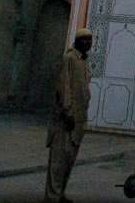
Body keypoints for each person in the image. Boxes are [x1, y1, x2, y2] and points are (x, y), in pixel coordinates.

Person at [45, 28, 92, 203]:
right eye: (84, 40)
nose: (88, 43)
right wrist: (67, 112)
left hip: (78, 119)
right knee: (58, 161)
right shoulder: (70, 58)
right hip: (67, 119)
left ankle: (60, 194)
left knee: (68, 160)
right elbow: (64, 87)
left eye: (90, 40)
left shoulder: (83, 61)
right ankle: (52, 197)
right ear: (77, 41)